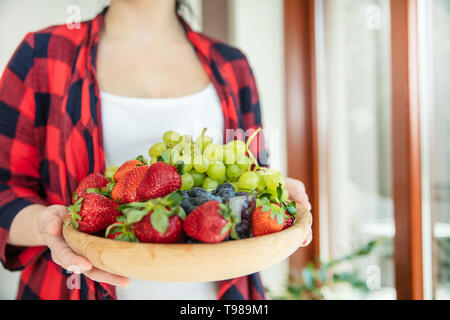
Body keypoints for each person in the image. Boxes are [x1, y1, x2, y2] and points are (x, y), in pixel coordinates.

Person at [0, 0, 312, 300]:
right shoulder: (43, 53)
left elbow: (247, 180)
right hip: (69, 289)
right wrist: (46, 226)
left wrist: (278, 192)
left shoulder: (233, 65)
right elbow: (4, 190)